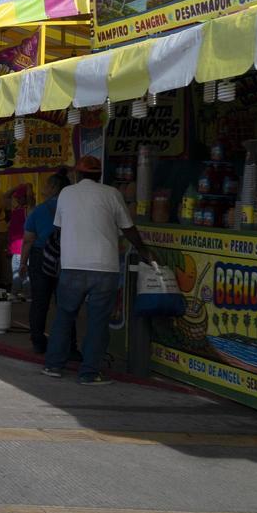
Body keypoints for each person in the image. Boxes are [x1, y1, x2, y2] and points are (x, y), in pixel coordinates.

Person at [43, 156, 154, 385]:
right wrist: (144, 250)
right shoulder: (112, 194)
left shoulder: (66, 194)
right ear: (99, 175)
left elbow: (58, 228)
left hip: (72, 266)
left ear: (78, 174)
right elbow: (128, 228)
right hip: (104, 268)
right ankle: (89, 373)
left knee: (64, 316)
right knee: (98, 322)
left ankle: (53, 365)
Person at [20, 173, 66, 355]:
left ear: (53, 188)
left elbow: (28, 240)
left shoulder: (39, 210)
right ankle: (67, 344)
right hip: (66, 256)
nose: (43, 189)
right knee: (65, 303)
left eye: (46, 185)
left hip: (41, 257)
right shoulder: (72, 209)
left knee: (40, 302)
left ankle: (38, 341)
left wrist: (23, 262)